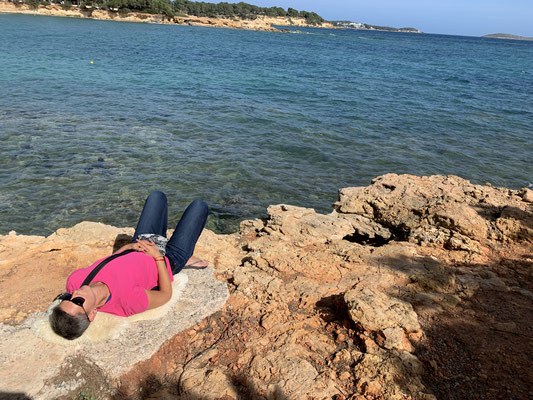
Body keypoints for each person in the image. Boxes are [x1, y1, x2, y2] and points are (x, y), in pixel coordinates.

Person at [49, 191, 208, 340]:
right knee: (199, 206)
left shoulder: (75, 281)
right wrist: (158, 257)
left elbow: (108, 264)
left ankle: (179, 250)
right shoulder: (127, 302)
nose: (75, 293)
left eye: (68, 297)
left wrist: (127, 248)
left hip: (139, 244)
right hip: (169, 259)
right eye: (77, 302)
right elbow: (166, 295)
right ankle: (185, 257)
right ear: (92, 315)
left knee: (156, 196)